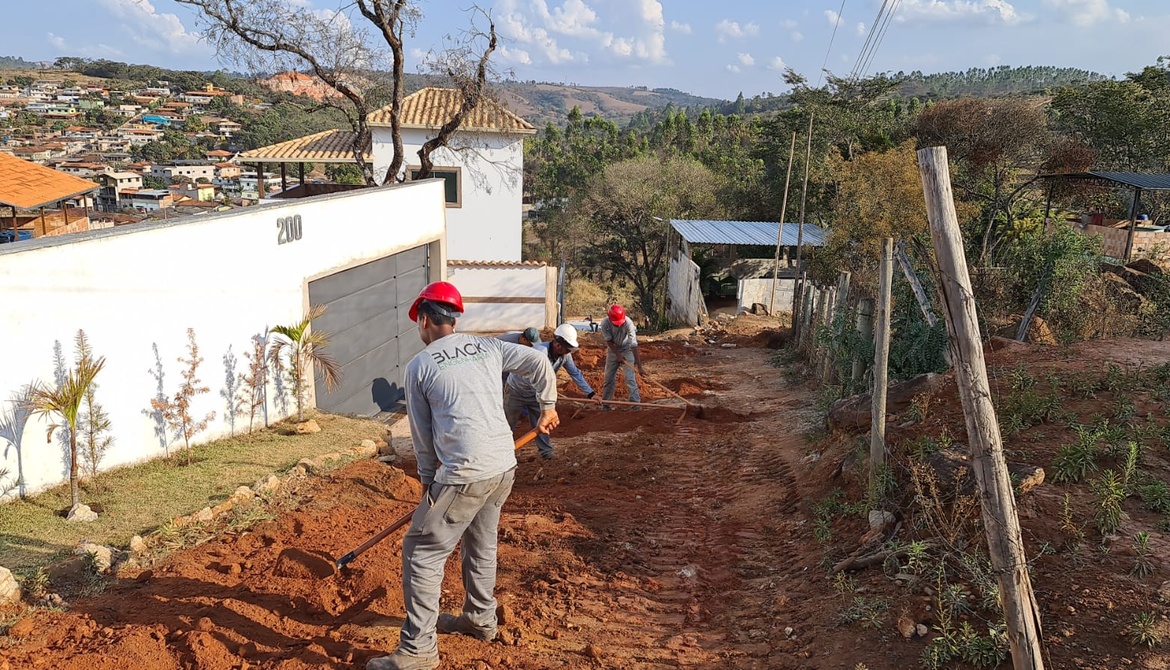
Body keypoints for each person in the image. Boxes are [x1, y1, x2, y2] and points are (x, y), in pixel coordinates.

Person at [368, 281, 559, 670]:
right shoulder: (488, 346)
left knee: (421, 552)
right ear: (454, 319)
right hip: (503, 466)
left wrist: (427, 486)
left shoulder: (420, 366)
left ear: (424, 319)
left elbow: (423, 438)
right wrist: (548, 406)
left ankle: (419, 648)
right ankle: (479, 618)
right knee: (481, 543)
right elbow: (539, 362)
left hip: (465, 472)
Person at [504, 323, 597, 460]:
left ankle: (546, 453)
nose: (569, 352)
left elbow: (575, 373)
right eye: (567, 349)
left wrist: (591, 394)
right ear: (558, 345)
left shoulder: (565, 355)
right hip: (516, 390)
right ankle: (502, 454)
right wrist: (546, 394)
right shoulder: (539, 353)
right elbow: (531, 379)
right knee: (507, 424)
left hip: (536, 392)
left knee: (543, 421)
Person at [600, 304, 645, 408]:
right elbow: (609, 342)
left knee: (629, 377)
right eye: (616, 324)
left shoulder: (628, 323)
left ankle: (635, 404)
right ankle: (606, 404)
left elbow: (633, 345)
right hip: (613, 350)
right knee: (608, 378)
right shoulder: (605, 323)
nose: (619, 325)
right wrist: (618, 355)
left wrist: (639, 367)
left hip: (627, 349)